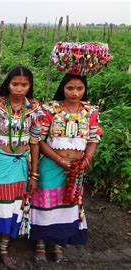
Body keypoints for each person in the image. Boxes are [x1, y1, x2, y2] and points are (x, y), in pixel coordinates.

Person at [30, 74, 101, 263]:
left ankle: (59, 242)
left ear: (85, 89)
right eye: (70, 88)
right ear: (63, 88)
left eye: (79, 88)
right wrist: (59, 160)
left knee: (68, 202)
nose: (75, 92)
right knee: (46, 202)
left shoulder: (90, 112)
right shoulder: (50, 110)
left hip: (76, 167)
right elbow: (39, 141)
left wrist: (85, 160)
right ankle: (41, 243)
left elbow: (93, 140)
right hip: (51, 165)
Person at [0, 66, 43, 268]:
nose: (19, 88)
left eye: (24, 84)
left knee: (15, 205)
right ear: (8, 84)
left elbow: (35, 142)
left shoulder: (34, 109)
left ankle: (5, 249)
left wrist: (34, 174)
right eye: (15, 84)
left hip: (21, 165)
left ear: (29, 86)